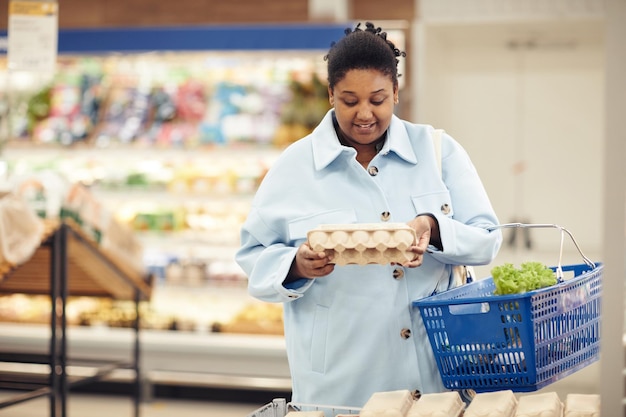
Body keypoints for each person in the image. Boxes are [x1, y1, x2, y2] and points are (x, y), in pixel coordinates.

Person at [236, 22, 502, 410]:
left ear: (396, 92)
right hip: (341, 381)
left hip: (431, 374)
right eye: (349, 100)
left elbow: (488, 238)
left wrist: (433, 228)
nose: (364, 114)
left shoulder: (439, 152)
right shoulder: (294, 167)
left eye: (377, 100)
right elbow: (252, 256)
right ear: (330, 95)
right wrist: (295, 264)